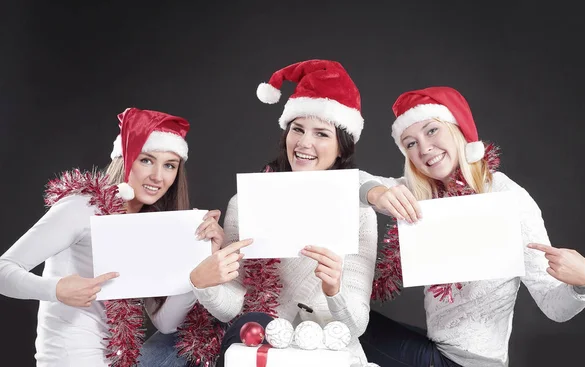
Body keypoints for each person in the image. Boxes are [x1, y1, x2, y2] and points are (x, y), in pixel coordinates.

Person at [356, 86, 585, 367]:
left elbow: (553, 305)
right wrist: (375, 192)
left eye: (432, 130)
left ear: (457, 130)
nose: (424, 148)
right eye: (410, 143)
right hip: (439, 348)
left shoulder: (507, 197)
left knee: (343, 326)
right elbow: (349, 183)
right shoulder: (423, 194)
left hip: (468, 363)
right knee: (340, 318)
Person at [187, 59, 379, 367]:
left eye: (321, 134)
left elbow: (356, 324)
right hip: (263, 350)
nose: (304, 143)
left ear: (342, 147)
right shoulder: (247, 202)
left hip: (330, 354)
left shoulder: (358, 212)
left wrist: (334, 289)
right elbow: (235, 311)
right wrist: (203, 281)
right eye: (297, 129)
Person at [0, 108, 215, 367]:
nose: (158, 176)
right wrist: (56, 290)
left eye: (169, 165)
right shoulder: (81, 207)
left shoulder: (150, 226)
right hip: (72, 360)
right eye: (146, 160)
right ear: (125, 159)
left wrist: (198, 270)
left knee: (201, 336)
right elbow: (3, 270)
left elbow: (165, 324)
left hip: (120, 360)